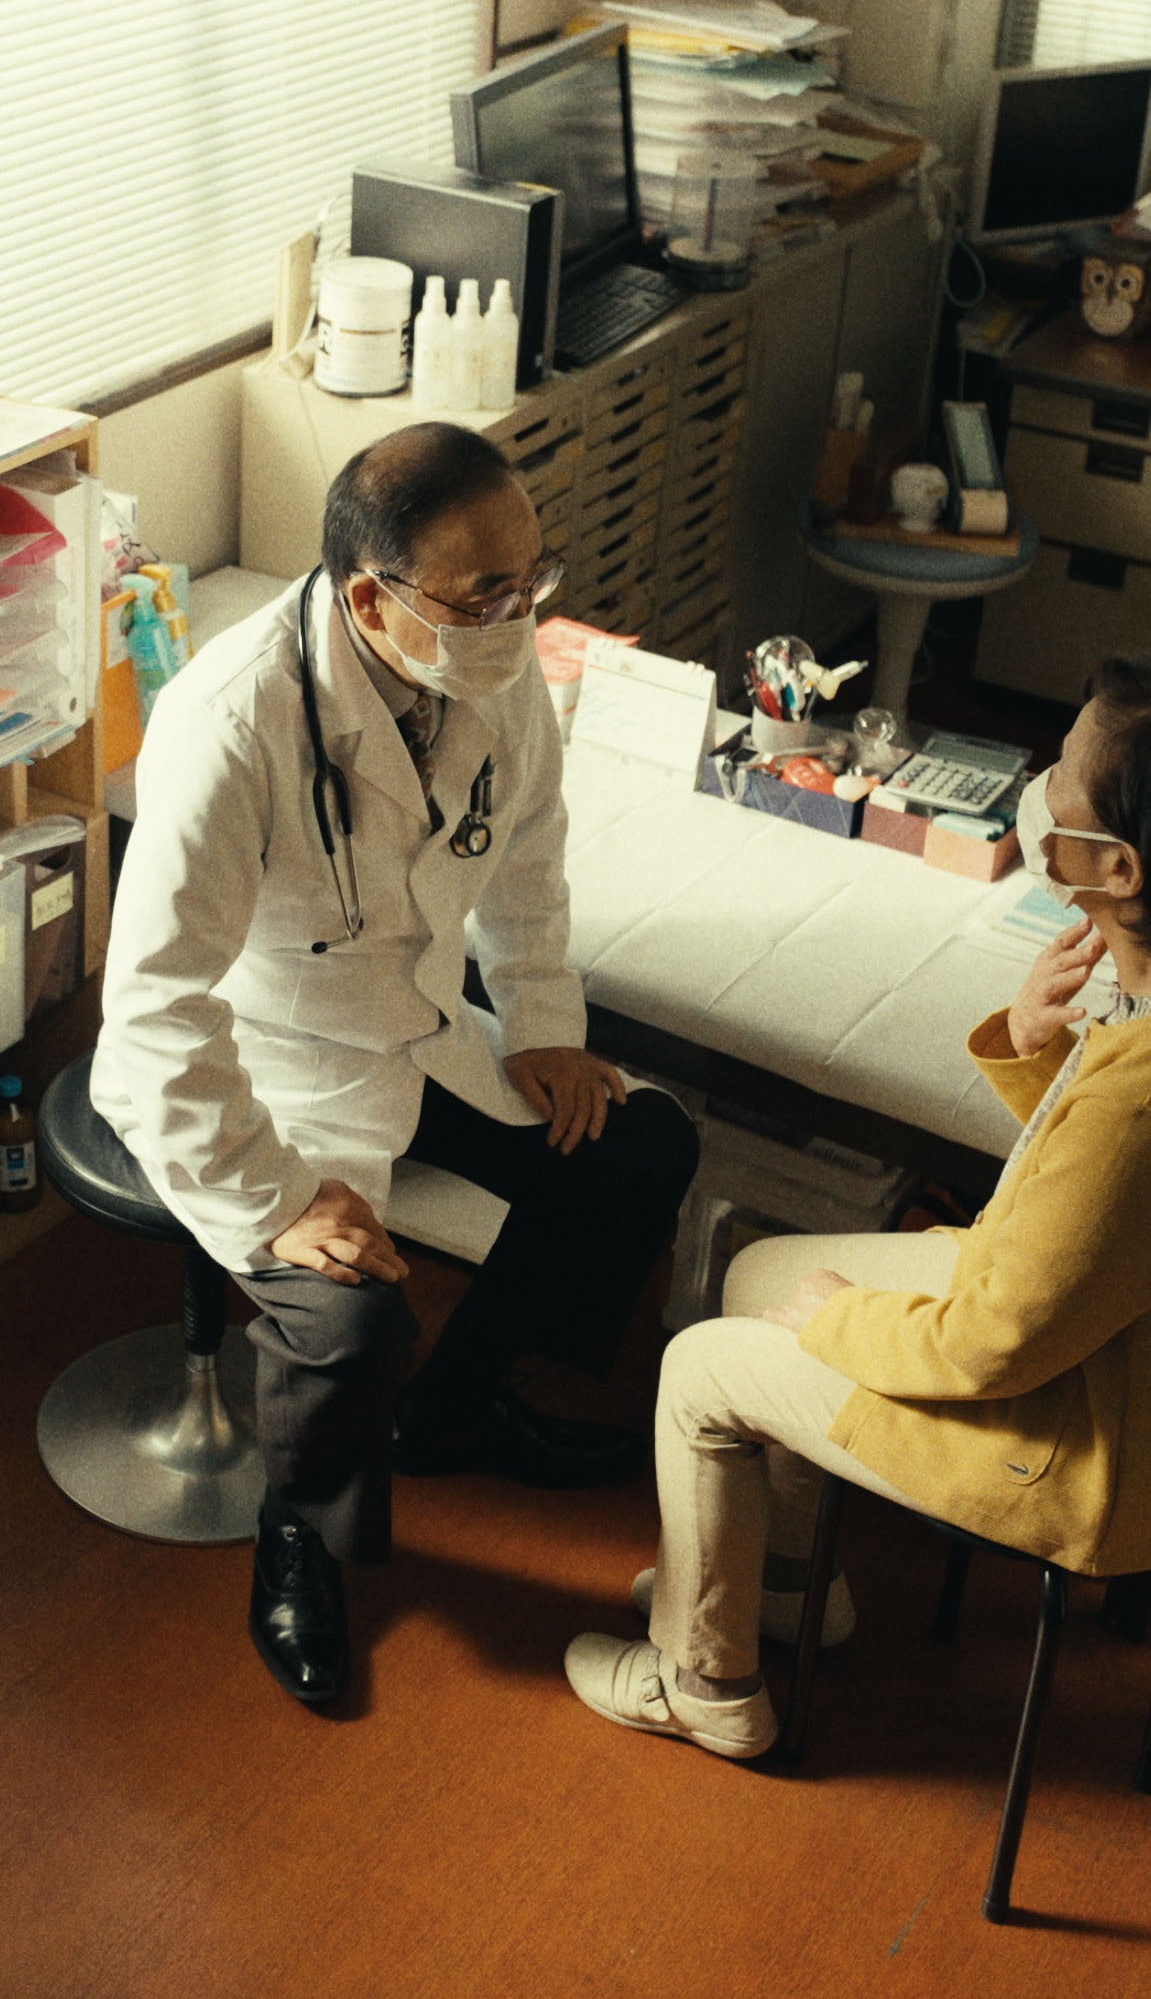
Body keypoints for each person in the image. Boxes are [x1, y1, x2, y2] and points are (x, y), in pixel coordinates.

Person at [566, 657, 1151, 1758]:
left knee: (700, 1367)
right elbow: (1132, 1203)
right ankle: (783, 1583)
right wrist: (1036, 1049)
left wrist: (841, 1321)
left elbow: (994, 1342)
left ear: (1118, 868)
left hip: (1090, 1436)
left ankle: (705, 1685)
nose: (1043, 786)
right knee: (757, 1274)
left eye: (1065, 772)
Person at [99, 421, 701, 1710]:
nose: (518, 617)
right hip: (264, 1060)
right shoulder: (233, 720)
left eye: (529, 580)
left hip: (420, 1021)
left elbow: (527, 853)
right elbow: (154, 1006)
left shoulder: (487, 660)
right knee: (352, 1315)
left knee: (638, 1148)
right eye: (484, 594)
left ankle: (459, 1406)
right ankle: (299, 1539)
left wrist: (540, 1019)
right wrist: (278, 1198)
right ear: (371, 600)